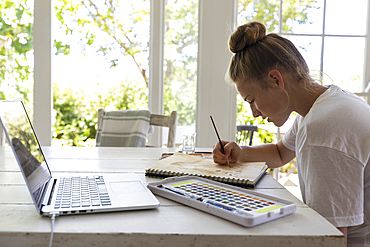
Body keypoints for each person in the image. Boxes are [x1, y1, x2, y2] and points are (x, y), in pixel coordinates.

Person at [212, 21, 370, 246]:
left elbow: (332, 238)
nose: (254, 113)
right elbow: (279, 153)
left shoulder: (322, 128)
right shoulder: (325, 105)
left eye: (252, 100)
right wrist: (240, 153)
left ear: (276, 80)